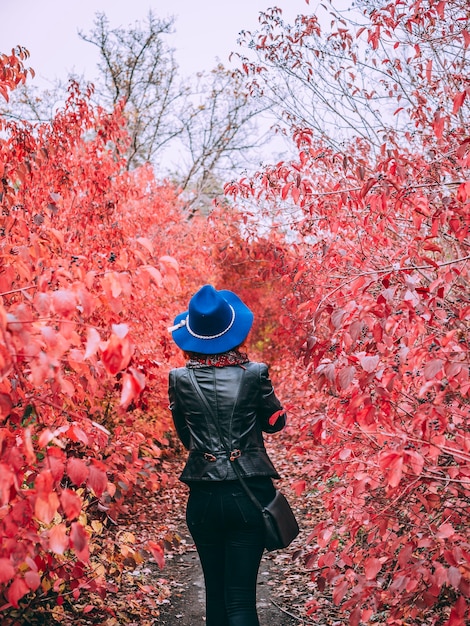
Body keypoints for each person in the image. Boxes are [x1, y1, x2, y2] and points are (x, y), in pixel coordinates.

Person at [168, 284, 286, 626]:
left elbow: (186, 437)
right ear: (234, 332)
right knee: (241, 600)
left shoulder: (178, 379)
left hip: (203, 497)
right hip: (249, 495)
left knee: (216, 600)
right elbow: (273, 424)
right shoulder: (255, 373)